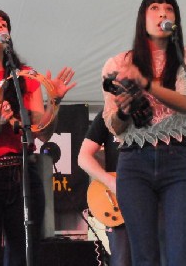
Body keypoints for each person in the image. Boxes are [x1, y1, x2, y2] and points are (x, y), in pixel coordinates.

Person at [0, 8, 75, 266]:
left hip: (23, 174)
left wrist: (55, 101)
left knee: (25, 257)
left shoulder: (25, 77)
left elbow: (43, 132)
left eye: (4, 22)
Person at [101, 0, 186, 266]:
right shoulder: (118, 63)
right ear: (142, 18)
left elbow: (184, 103)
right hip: (134, 163)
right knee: (144, 256)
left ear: (176, 19)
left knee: (183, 254)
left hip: (178, 160)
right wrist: (124, 109)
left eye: (169, 9)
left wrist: (146, 84)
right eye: (155, 8)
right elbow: (115, 126)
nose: (162, 13)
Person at [78, 110, 132, 266]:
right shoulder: (109, 113)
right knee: (122, 260)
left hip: (154, 201)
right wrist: (110, 182)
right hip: (119, 203)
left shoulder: (162, 112)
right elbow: (83, 157)